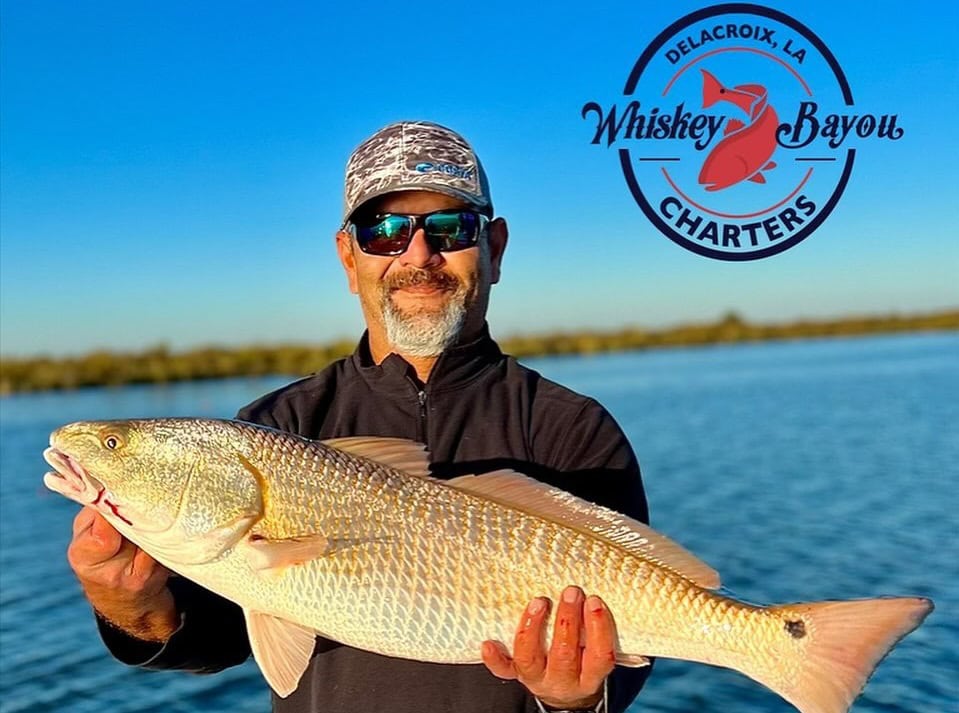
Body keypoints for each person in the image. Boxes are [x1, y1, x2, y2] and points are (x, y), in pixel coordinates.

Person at [66, 121, 652, 713]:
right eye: (385, 231)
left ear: (494, 249)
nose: (419, 255)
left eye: (450, 227)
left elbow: (638, 649)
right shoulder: (277, 425)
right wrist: (128, 603)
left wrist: (575, 700)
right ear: (349, 259)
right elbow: (215, 638)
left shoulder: (572, 428)